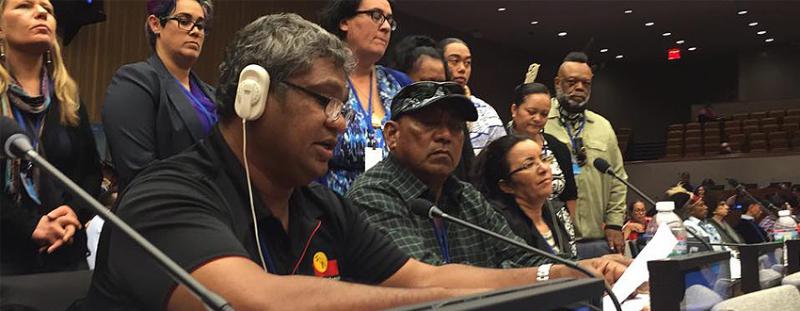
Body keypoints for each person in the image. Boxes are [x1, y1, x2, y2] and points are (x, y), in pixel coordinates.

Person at [86, 14, 623, 310]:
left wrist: (560, 272)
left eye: (343, 105)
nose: (340, 122)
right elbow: (256, 303)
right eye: (324, 100)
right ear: (254, 95)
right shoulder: (166, 196)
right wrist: (433, 300)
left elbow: (418, 279)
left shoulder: (318, 203)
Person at [347, 81, 627, 275]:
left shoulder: (465, 196)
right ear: (392, 135)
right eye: (429, 123)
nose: (445, 134)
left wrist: (590, 266)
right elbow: (428, 280)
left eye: (456, 127)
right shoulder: (373, 194)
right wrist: (550, 273)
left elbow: (522, 255)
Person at [0, 0, 101, 275]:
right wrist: (30, 226)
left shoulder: (68, 97)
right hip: (7, 258)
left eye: (48, 9)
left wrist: (73, 212)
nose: (42, 12)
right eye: (24, 5)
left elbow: (92, 174)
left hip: (65, 255)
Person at [102, 0, 217, 190]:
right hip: (161, 207)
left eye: (200, 25)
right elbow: (140, 171)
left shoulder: (212, 94)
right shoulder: (135, 81)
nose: (195, 31)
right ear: (156, 24)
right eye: (184, 20)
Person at [319, 0, 413, 195]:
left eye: (389, 20)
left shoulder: (399, 83)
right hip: (330, 211)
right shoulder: (321, 78)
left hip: (393, 209)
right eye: (376, 15)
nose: (386, 27)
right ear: (344, 21)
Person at [544, 51, 627, 257]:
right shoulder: (540, 122)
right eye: (571, 82)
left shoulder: (603, 126)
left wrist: (615, 224)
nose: (579, 88)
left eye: (586, 83)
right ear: (557, 83)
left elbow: (618, 179)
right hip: (553, 241)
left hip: (597, 237)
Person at [473, 134, 577, 260]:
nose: (544, 168)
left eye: (543, 159)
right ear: (506, 185)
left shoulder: (551, 213)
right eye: (529, 165)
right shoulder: (503, 227)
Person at [388, 34, 475, 181]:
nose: (445, 135)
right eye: (427, 83)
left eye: (441, 83)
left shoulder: (454, 121)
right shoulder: (388, 113)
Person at [507, 82, 578, 217]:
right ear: (514, 110)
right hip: (514, 223)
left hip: (558, 225)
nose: (538, 119)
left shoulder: (558, 147)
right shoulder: (500, 147)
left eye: (544, 114)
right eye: (531, 112)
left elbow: (570, 195)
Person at [438, 37, 505, 155]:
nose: (462, 69)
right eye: (454, 61)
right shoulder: (425, 105)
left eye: (467, 63)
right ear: (438, 62)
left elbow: (501, 158)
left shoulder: (486, 112)